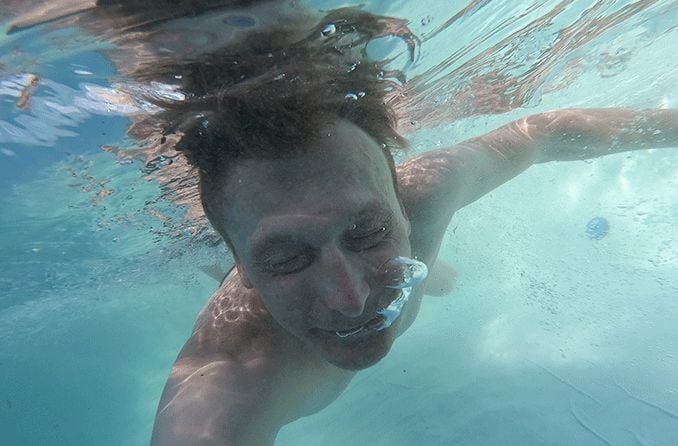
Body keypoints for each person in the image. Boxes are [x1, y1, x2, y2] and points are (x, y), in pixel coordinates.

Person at [129, 7, 676, 446]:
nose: (349, 300)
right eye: (286, 258)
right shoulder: (227, 383)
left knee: (434, 277)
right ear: (241, 267)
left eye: (367, 231)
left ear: (399, 200)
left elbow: (547, 131)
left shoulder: (427, 192)